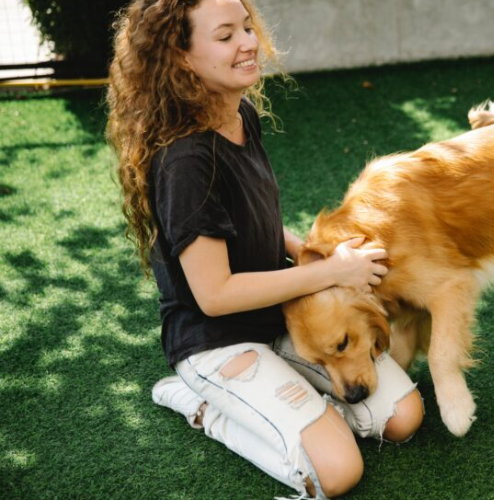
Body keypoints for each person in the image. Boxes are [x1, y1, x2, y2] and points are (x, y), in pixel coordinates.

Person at [105, 0, 424, 498]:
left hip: (277, 315)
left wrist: (315, 254)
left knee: (403, 416)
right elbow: (214, 294)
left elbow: (258, 223)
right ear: (182, 58)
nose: (249, 43)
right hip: (217, 340)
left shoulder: (241, 113)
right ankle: (202, 406)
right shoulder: (187, 161)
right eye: (226, 35)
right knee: (337, 472)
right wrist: (330, 273)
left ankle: (302, 417)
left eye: (248, 28)